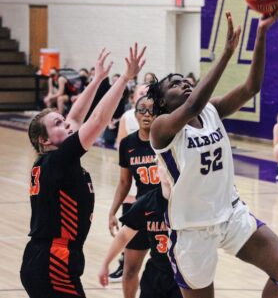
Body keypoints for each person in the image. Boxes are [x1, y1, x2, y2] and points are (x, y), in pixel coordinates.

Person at [148, 9, 278, 298]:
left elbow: (251, 87)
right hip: (191, 227)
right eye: (174, 84)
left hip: (230, 214)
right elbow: (192, 105)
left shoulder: (211, 110)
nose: (183, 83)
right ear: (162, 103)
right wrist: (227, 53)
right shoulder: (162, 128)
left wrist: (261, 34)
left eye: (184, 79)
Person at [20, 44, 146, 298]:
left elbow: (75, 118)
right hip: (54, 258)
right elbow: (97, 120)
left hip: (46, 257)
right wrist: (124, 78)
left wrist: (98, 79)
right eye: (58, 123)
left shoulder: (51, 160)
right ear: (44, 140)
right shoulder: (58, 160)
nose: (66, 124)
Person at [106, 96, 169, 298]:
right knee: (130, 269)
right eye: (142, 110)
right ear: (135, 115)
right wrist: (112, 211)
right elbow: (124, 182)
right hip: (140, 210)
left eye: (151, 110)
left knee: (167, 268)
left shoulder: (167, 141)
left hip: (166, 210)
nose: (147, 114)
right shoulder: (127, 144)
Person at [98, 185, 181, 298]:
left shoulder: (190, 201)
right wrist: (105, 263)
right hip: (155, 274)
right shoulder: (148, 201)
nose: (167, 173)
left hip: (182, 275)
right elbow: (124, 235)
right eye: (163, 168)